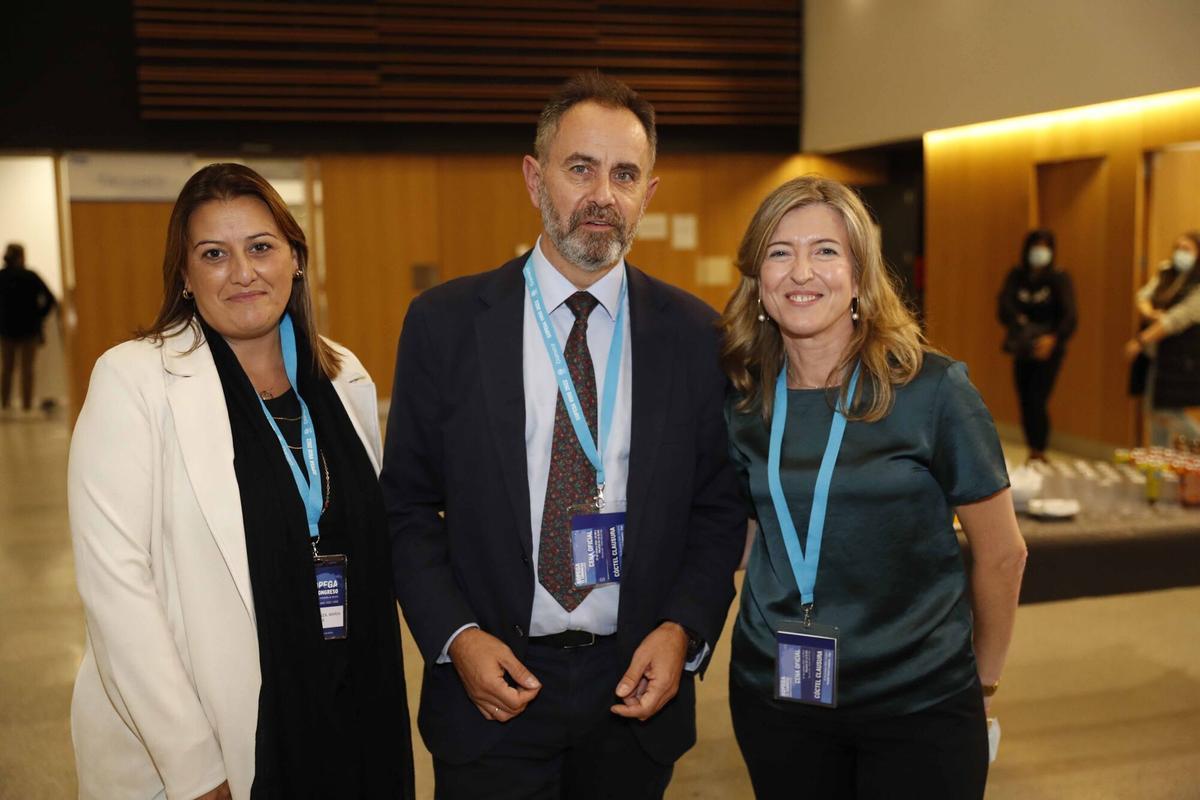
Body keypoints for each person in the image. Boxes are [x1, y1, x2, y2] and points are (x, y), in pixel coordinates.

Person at [382, 72, 745, 799]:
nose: (602, 195)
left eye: (625, 174)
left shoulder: (696, 337)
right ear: (534, 177)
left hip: (634, 690)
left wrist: (682, 629)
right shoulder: (444, 325)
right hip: (492, 689)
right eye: (581, 168)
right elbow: (407, 508)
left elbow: (718, 509)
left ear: (649, 192)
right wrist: (457, 638)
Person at [68, 163, 414, 800]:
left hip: (353, 705)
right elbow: (116, 586)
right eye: (213, 254)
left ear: (295, 259)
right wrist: (194, 766)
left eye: (260, 247)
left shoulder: (345, 377)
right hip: (223, 735)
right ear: (184, 275)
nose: (243, 272)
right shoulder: (133, 381)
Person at [719, 175, 1027, 799]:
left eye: (825, 251)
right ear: (758, 279)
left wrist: (984, 682)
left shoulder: (932, 390)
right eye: (779, 252)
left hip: (919, 701)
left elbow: (1003, 553)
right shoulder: (744, 400)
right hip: (778, 697)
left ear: (860, 276)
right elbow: (749, 537)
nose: (801, 271)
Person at [997, 229, 1077, 461]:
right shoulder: (1016, 275)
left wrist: (1053, 338)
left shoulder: (1059, 278)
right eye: (1036, 246)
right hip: (1022, 346)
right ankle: (1032, 448)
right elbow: (1003, 306)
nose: (1040, 251)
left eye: (1045, 247)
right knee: (1024, 400)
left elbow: (1070, 315)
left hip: (1049, 349)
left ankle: (1039, 450)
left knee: (1037, 399)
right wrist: (1018, 321)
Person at [1125, 231, 1200, 446]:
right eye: (1178, 248)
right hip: (1157, 354)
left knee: (1167, 411)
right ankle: (1159, 464)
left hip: (1182, 358)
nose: (1180, 253)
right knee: (1152, 411)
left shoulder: (1197, 284)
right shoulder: (1167, 272)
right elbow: (1143, 296)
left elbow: (1174, 320)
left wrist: (1141, 340)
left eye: (1186, 249)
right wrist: (1150, 313)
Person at [0, 242, 56, 414]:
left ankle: (5, 405)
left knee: (7, 368)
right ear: (20, 257)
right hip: (29, 329)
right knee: (27, 370)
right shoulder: (31, 276)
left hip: (6, 329)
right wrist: (39, 315)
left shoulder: (2, 277)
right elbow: (50, 299)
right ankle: (27, 405)